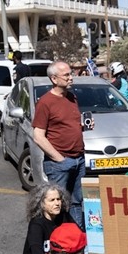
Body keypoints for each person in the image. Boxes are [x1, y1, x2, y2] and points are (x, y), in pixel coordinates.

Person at [32, 60, 87, 226]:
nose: (71, 78)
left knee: (76, 202)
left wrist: (82, 127)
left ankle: (75, 237)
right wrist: (58, 159)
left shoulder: (72, 97)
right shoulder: (45, 102)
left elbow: (67, 125)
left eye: (71, 74)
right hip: (59, 163)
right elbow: (38, 136)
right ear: (54, 79)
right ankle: (56, 240)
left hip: (79, 159)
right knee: (55, 206)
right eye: (67, 75)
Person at [20, 182, 71, 254]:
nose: (57, 203)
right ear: (42, 204)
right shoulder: (36, 224)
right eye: (52, 200)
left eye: (58, 199)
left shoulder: (63, 215)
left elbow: (78, 234)